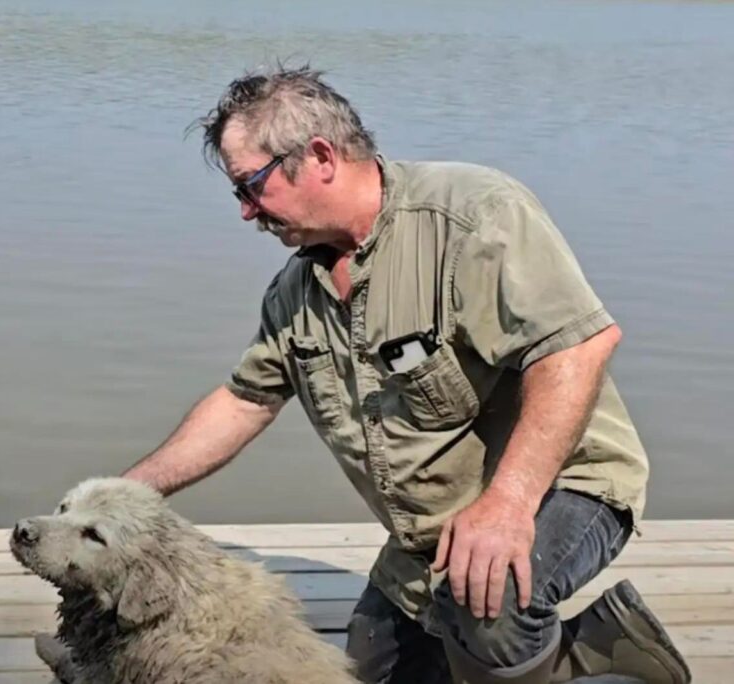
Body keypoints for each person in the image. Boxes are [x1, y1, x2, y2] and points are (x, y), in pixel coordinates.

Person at [122, 65, 691, 684]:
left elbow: (577, 350)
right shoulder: (295, 292)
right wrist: (128, 494)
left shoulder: (474, 216)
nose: (244, 211)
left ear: (318, 156)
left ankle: (594, 653)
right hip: (430, 539)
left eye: (249, 186)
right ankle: (596, 643)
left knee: (490, 610)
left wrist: (508, 504)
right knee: (365, 670)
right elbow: (244, 401)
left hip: (560, 486)